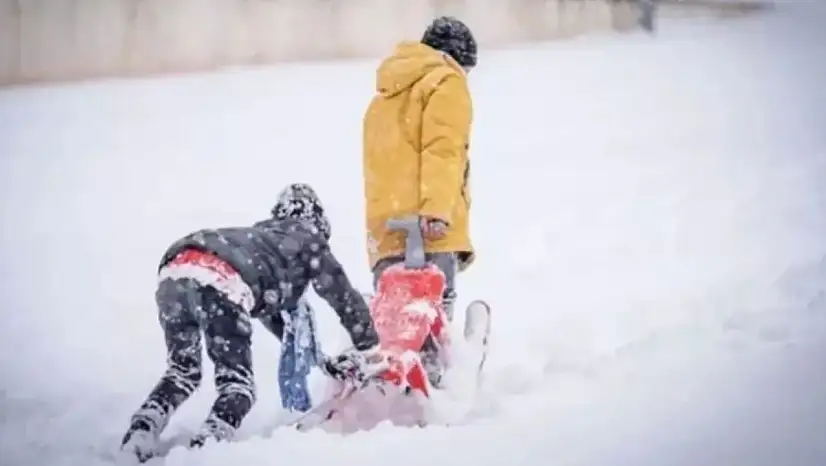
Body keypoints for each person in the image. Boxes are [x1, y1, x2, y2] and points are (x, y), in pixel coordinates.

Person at [120, 183, 384, 462]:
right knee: (238, 388)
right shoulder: (307, 238)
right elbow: (342, 295)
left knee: (182, 372)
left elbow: (278, 322)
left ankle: (141, 432)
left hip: (175, 271)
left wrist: (325, 362)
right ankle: (205, 450)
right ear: (318, 223)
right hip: (221, 280)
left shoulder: (262, 244)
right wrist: (372, 349)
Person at [361, 16, 478, 387]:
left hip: (385, 225)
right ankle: (435, 384)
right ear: (457, 58)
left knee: (397, 320)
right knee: (433, 312)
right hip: (428, 224)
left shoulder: (383, 96)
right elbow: (442, 151)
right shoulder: (446, 81)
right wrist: (437, 210)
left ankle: (394, 385)